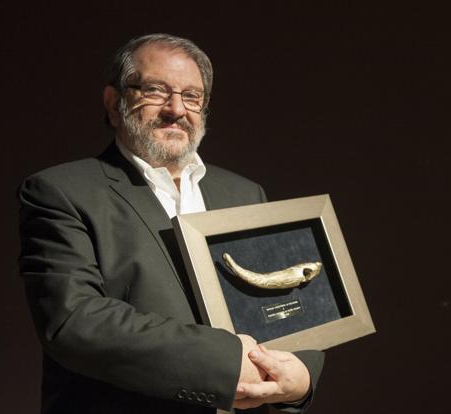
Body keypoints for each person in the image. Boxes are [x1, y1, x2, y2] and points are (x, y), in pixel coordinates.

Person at [18, 33, 324, 414]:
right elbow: (75, 322)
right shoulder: (61, 191)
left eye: (192, 96)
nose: (176, 109)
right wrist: (228, 364)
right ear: (114, 103)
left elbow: (291, 307)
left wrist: (304, 377)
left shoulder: (245, 193)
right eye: (156, 91)